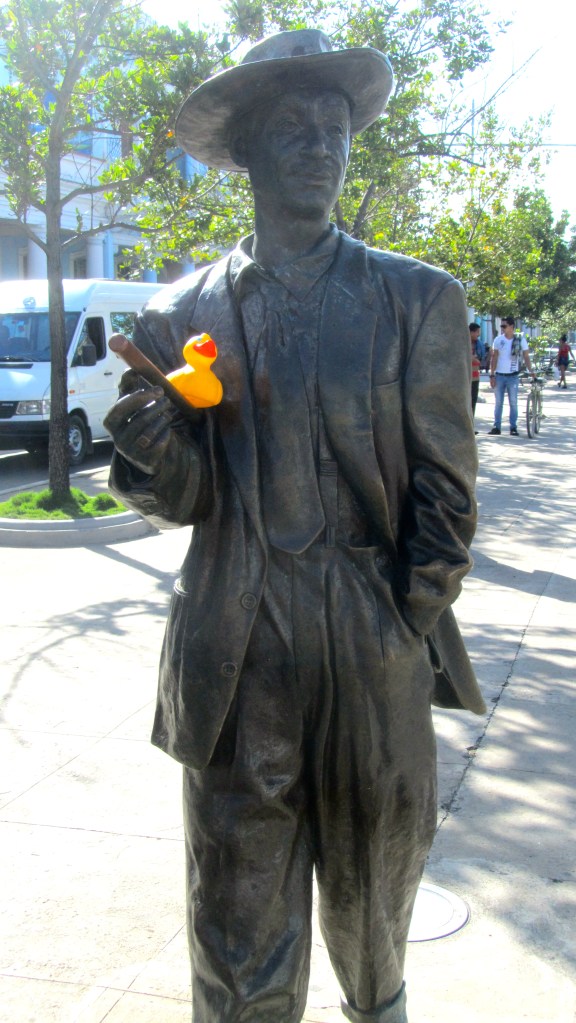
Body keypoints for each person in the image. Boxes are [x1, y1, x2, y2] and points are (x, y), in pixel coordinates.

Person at [103, 29, 485, 1023]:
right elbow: (180, 501)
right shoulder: (177, 312)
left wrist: (405, 618)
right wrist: (149, 455)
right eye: (292, 129)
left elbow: (447, 489)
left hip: (370, 633)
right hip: (236, 645)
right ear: (248, 152)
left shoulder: (418, 298)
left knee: (375, 910)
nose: (319, 146)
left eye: (334, 129)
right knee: (236, 928)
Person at [488, 315, 535, 435]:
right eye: (502, 326)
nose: (502, 328)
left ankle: (513, 427)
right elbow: (494, 357)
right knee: (498, 402)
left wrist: (531, 370)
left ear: (511, 326)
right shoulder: (498, 340)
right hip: (499, 375)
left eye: (504, 326)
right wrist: (492, 374)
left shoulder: (519, 340)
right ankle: (497, 426)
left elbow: (526, 356)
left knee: (513, 403)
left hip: (513, 376)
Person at [469, 322, 482, 431]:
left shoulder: (478, 345)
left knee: (473, 402)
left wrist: (473, 358)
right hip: (466, 378)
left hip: (475, 377)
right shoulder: (464, 344)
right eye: (477, 332)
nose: (478, 334)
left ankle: (471, 426)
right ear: (471, 332)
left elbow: (480, 359)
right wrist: (472, 358)